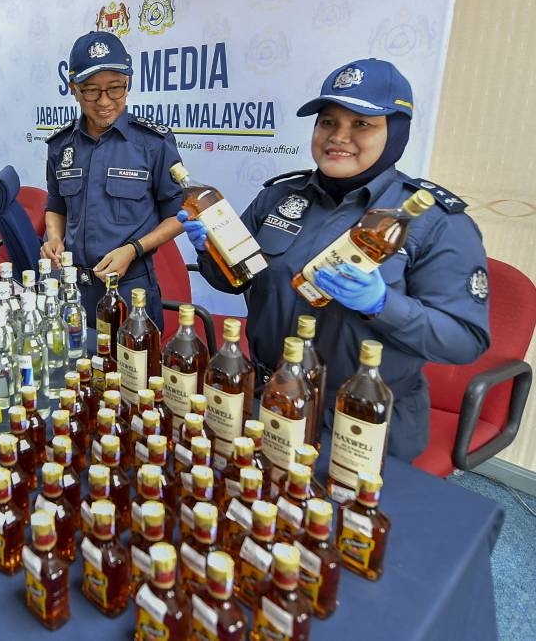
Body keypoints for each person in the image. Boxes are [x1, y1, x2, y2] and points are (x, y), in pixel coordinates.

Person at [179, 58, 491, 462]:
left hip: (359, 421)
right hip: (269, 398)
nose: (339, 137)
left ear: (395, 133)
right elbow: (234, 280)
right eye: (328, 122)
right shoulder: (280, 196)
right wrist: (211, 251)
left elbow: (465, 340)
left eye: (362, 124)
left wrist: (383, 305)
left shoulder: (433, 222)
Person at [41, 31, 184, 330]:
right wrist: (54, 237)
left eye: (115, 88)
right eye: (91, 90)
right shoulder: (61, 145)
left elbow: (180, 215)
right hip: (71, 289)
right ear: (74, 89)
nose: (104, 101)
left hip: (130, 291)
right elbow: (56, 204)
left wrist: (133, 249)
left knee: (133, 361)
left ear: (127, 85)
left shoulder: (153, 143)